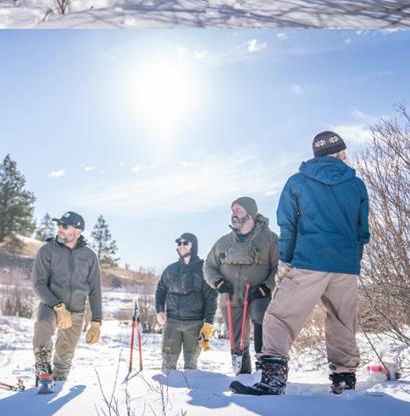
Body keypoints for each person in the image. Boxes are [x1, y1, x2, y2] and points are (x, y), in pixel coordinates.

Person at [237, 131, 370, 396]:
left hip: (310, 260)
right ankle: (344, 380)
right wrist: (352, 259)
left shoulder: (297, 182)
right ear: (337, 152)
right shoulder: (356, 185)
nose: (345, 156)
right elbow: (362, 230)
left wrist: (286, 258)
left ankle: (273, 378)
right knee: (342, 322)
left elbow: (288, 224)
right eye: (343, 151)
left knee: (280, 316)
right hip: (345, 266)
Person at [204, 197, 278, 374]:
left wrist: (267, 286)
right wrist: (218, 281)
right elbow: (208, 266)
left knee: (261, 319)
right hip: (230, 299)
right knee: (237, 341)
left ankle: (264, 372)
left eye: (238, 209)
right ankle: (242, 375)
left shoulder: (269, 239)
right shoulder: (223, 242)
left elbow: (279, 267)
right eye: (232, 210)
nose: (233, 213)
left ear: (250, 213)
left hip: (257, 295)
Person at [31, 210, 102, 383]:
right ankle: (42, 369)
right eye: (58, 225)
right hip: (51, 305)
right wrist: (58, 306)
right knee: (43, 324)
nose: (59, 229)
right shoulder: (47, 251)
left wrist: (96, 321)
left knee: (65, 354)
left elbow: (95, 290)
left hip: (77, 310)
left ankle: (59, 380)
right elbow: (38, 284)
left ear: (78, 231)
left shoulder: (89, 256)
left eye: (64, 226)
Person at [155, 232, 218, 371]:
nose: (181, 246)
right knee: (167, 366)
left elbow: (211, 298)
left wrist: (208, 323)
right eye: (179, 243)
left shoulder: (204, 270)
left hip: (194, 325)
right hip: (171, 324)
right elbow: (160, 291)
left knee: (191, 366)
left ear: (193, 246)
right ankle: (165, 393)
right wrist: (159, 311)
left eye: (185, 243)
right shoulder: (170, 270)